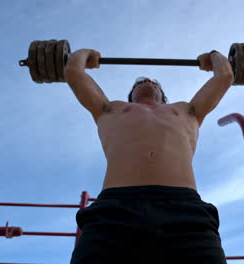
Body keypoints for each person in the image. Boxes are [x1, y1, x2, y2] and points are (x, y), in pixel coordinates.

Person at [66, 48, 234, 264]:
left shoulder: (186, 111)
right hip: (114, 212)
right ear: (131, 95)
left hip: (185, 213)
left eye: (153, 81)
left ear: (163, 97)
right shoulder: (110, 109)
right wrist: (86, 53)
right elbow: (73, 71)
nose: (146, 80)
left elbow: (225, 76)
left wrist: (213, 57)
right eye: (138, 82)